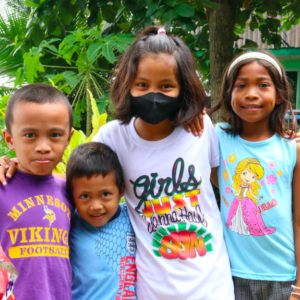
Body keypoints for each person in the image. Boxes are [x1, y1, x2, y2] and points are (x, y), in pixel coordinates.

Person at [92, 26, 234, 299]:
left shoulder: (201, 128)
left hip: (212, 287)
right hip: (151, 289)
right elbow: (74, 178)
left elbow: (224, 181)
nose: (153, 95)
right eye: (142, 85)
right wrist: (16, 165)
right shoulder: (112, 137)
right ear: (127, 84)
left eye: (166, 86)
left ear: (183, 88)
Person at [209, 51, 300, 300]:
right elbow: (218, 179)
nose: (251, 93)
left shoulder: (293, 148)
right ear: (228, 94)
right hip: (228, 273)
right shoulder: (216, 137)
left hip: (282, 276)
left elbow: (299, 221)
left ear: (280, 94)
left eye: (263, 85)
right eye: (241, 85)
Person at [0, 83, 74, 299]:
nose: (43, 146)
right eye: (30, 135)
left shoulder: (73, 192)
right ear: (9, 139)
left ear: (68, 139)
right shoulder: (2, 187)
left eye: (54, 135)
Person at [66, 142, 137, 300]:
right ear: (72, 196)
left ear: (121, 191)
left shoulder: (133, 217)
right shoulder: (69, 224)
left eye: (105, 194)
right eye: (85, 196)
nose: (96, 206)